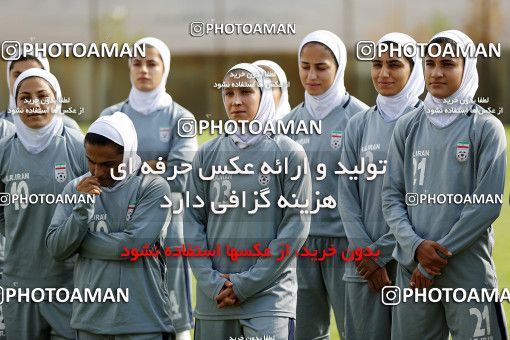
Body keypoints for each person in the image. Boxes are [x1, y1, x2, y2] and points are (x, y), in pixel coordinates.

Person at [382, 30, 507, 340]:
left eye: (448, 63)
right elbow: (391, 196)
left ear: (467, 69)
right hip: (413, 268)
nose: (436, 72)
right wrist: (414, 247)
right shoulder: (407, 126)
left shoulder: (485, 127)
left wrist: (436, 258)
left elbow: (487, 205)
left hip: (467, 270)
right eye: (430, 63)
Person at [185, 63, 311, 340]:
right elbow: (192, 223)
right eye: (229, 93)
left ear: (264, 95)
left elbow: (295, 228)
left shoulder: (289, 153)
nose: (236, 101)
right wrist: (212, 283)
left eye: (245, 92)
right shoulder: (207, 154)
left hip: (269, 298)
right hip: (215, 298)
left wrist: (245, 284)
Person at [46, 111, 175, 339]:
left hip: (143, 321)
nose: (98, 172)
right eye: (91, 161)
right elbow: (57, 249)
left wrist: (78, 242)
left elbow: (131, 246)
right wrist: (82, 209)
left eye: (109, 164)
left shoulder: (153, 187)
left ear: (129, 154)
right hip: (90, 321)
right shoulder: (75, 188)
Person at [101, 37, 197, 340]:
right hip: (120, 227)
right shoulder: (111, 116)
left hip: (168, 230)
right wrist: (155, 165)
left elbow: (180, 175)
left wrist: (129, 167)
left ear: (164, 68)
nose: (143, 69)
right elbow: (102, 172)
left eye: (152, 63)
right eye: (137, 62)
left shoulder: (181, 118)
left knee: (174, 321)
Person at [282, 30, 368, 340]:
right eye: (304, 66)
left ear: (339, 67)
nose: (311, 75)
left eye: (321, 67)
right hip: (300, 248)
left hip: (347, 246)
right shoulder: (286, 125)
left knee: (354, 331)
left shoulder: (361, 118)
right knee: (304, 333)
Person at [337, 32, 424, 340]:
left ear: (413, 70)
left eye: (394, 65)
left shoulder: (426, 122)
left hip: (408, 261)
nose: (383, 73)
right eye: (377, 64)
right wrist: (364, 253)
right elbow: (346, 193)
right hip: (362, 265)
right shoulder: (358, 124)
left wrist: (381, 253)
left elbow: (422, 199)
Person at [0, 68, 88, 339]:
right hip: (19, 285)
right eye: (24, 98)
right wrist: (20, 236)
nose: (34, 104)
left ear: (57, 99)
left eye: (42, 96)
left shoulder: (78, 147)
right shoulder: (3, 150)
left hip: (70, 284)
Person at [2, 50, 81, 131]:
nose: (23, 80)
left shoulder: (68, 128)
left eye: (32, 74)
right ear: (8, 78)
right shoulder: (2, 128)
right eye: (18, 75)